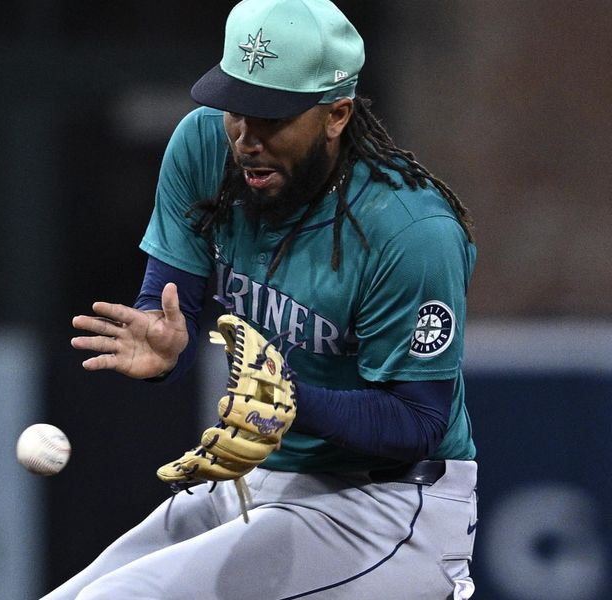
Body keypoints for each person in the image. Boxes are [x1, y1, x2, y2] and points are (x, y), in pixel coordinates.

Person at [44, 0, 478, 598]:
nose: (246, 137)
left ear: (337, 114)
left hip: (390, 505)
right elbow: (168, 305)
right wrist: (166, 344)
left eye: (271, 116)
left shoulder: (411, 233)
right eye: (236, 108)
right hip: (264, 483)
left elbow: (419, 424)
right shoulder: (205, 148)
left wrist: (293, 402)